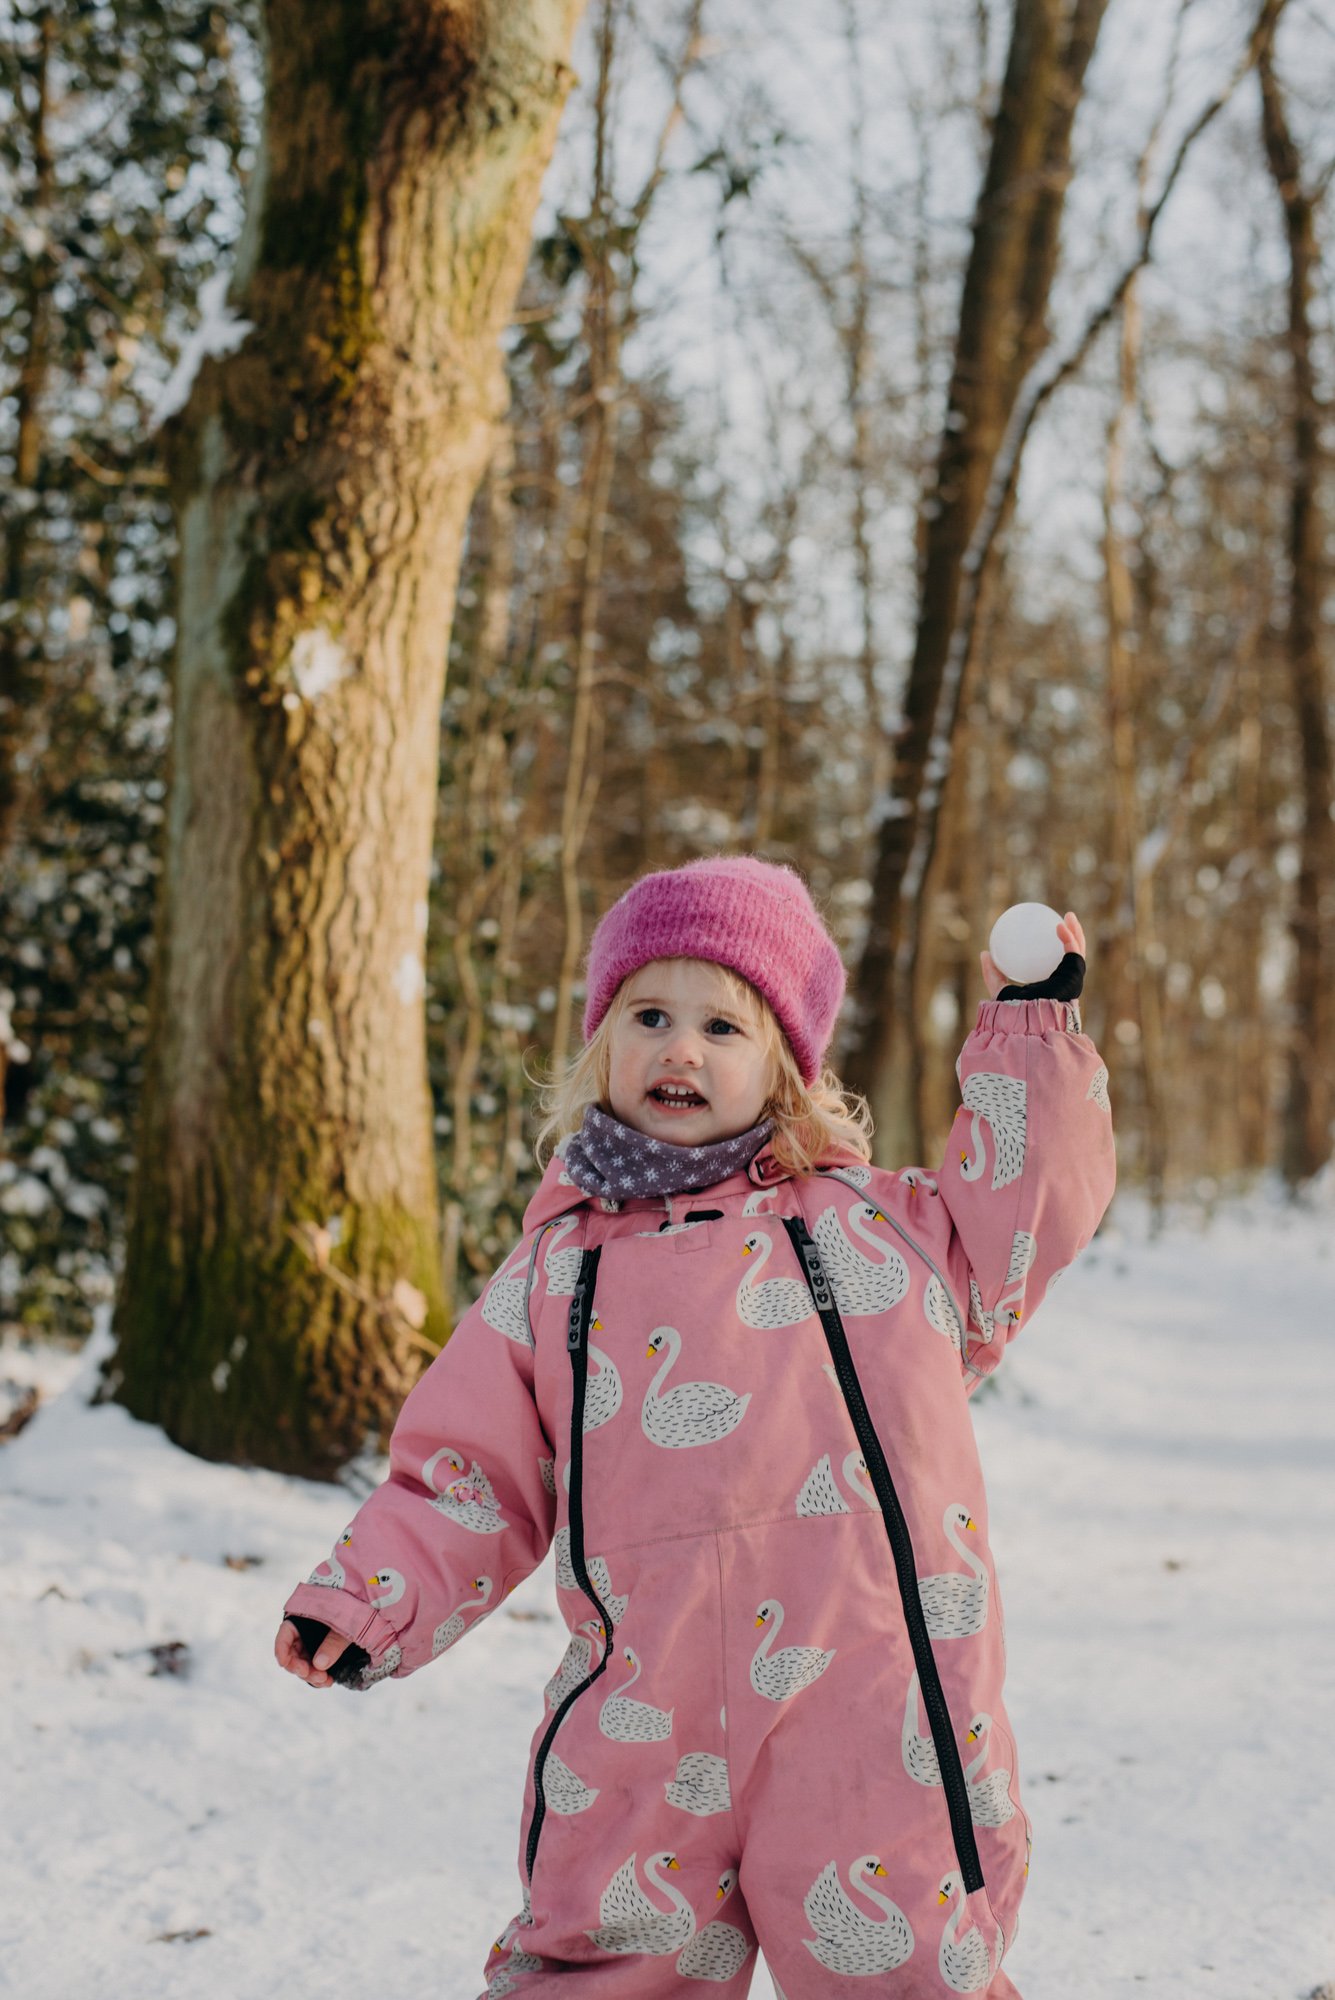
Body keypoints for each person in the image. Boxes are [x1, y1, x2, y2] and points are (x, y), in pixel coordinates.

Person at [276, 854, 1115, 1999]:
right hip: (641, 1714)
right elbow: (465, 1473)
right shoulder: (555, 1273)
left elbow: (1024, 1207)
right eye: (649, 1014)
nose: (681, 1048)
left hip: (872, 1700)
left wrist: (1030, 1031)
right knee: (601, 1959)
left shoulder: (884, 1233)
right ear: (599, 1044)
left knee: (903, 1963)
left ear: (783, 1062)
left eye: (724, 1022)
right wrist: (371, 1593)